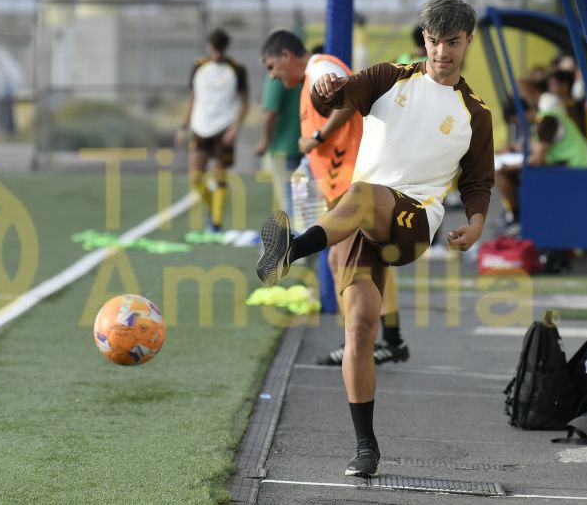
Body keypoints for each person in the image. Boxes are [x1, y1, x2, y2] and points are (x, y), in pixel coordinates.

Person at [257, 0, 494, 477]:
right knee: (360, 325)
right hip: (356, 220)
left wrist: (476, 222)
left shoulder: (475, 113)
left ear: (468, 40)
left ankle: (292, 249)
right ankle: (366, 448)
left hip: (412, 221)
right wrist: (325, 88)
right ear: (423, 40)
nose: (441, 52)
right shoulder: (390, 77)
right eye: (433, 41)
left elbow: (477, 180)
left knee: (363, 193)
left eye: (452, 42)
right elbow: (337, 98)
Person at [260, 31, 411, 367]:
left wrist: (317, 136)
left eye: (272, 66)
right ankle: (378, 341)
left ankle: (367, 343)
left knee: (351, 263)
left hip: (352, 185)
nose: (272, 75)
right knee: (344, 262)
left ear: (286, 55)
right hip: (344, 185)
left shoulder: (319, 68)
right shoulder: (311, 77)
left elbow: (352, 96)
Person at [176, 28, 249, 232]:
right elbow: (192, 97)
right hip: (200, 127)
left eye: (219, 50)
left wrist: (235, 128)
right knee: (195, 177)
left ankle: (216, 223)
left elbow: (244, 103)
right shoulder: (199, 66)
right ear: (209, 47)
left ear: (225, 49)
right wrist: (183, 126)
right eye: (213, 49)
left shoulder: (237, 68)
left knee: (219, 179)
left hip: (224, 130)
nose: (215, 54)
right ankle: (212, 208)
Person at [495, 96, 587, 225]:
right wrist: (513, 147)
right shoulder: (543, 120)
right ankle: (520, 218)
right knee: (509, 174)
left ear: (520, 114)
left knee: (510, 174)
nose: (517, 125)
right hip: (567, 165)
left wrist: (508, 167)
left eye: (515, 121)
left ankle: (522, 219)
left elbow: (537, 160)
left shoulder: (546, 121)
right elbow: (536, 147)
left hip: (576, 167)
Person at [254, 74, 302, 214]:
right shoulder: (306, 73)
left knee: (290, 202)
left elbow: (270, 112)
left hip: (284, 149)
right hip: (307, 147)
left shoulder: (275, 77)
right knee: (301, 201)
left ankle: (296, 235)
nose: (271, 70)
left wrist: (265, 141)